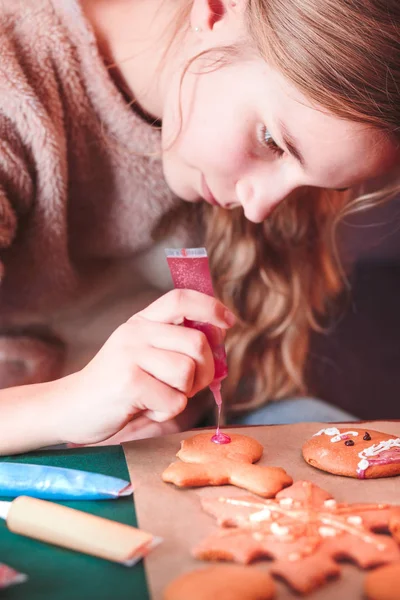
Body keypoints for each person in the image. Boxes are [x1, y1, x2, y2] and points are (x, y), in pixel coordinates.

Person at [0, 0, 399, 455]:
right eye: (272, 142)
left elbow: (242, 370)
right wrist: (71, 404)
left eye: (315, 186)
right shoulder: (13, 83)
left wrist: (177, 402)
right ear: (216, 11)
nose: (259, 210)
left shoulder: (246, 141)